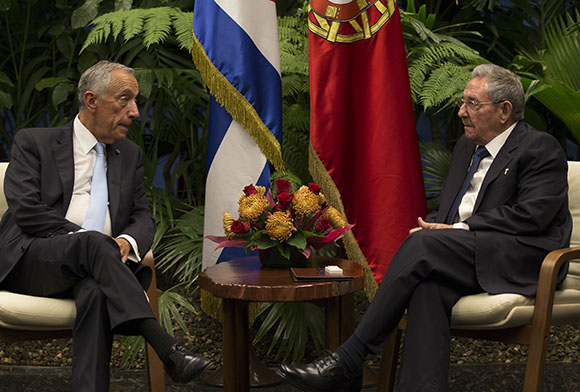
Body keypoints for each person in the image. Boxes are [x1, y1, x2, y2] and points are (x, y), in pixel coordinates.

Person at [277, 64, 572, 391]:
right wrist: (443, 230)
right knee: (427, 287)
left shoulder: (539, 148)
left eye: (472, 104)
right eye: (462, 102)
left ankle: (350, 359)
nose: (461, 112)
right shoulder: (465, 147)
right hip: (465, 255)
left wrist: (455, 232)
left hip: (520, 258)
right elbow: (450, 211)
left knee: (423, 246)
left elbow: (533, 216)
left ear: (504, 111)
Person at [0, 61, 210, 391]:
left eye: (136, 101)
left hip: (99, 269)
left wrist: (126, 240)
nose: (135, 112)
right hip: (32, 261)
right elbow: (26, 210)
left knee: (95, 290)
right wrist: (90, 243)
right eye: (124, 100)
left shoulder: (129, 154)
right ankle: (168, 348)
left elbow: (142, 217)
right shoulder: (34, 143)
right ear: (91, 100)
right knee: (96, 243)